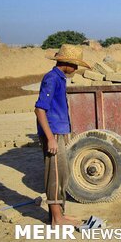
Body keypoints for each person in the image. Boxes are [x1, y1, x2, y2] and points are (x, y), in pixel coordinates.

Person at [34, 44, 90, 226]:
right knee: (55, 176)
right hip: (53, 134)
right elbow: (40, 109)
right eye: (74, 65)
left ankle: (59, 215)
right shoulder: (52, 79)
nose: (75, 69)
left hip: (59, 132)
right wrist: (51, 138)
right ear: (65, 63)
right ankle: (57, 219)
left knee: (62, 175)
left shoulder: (60, 79)